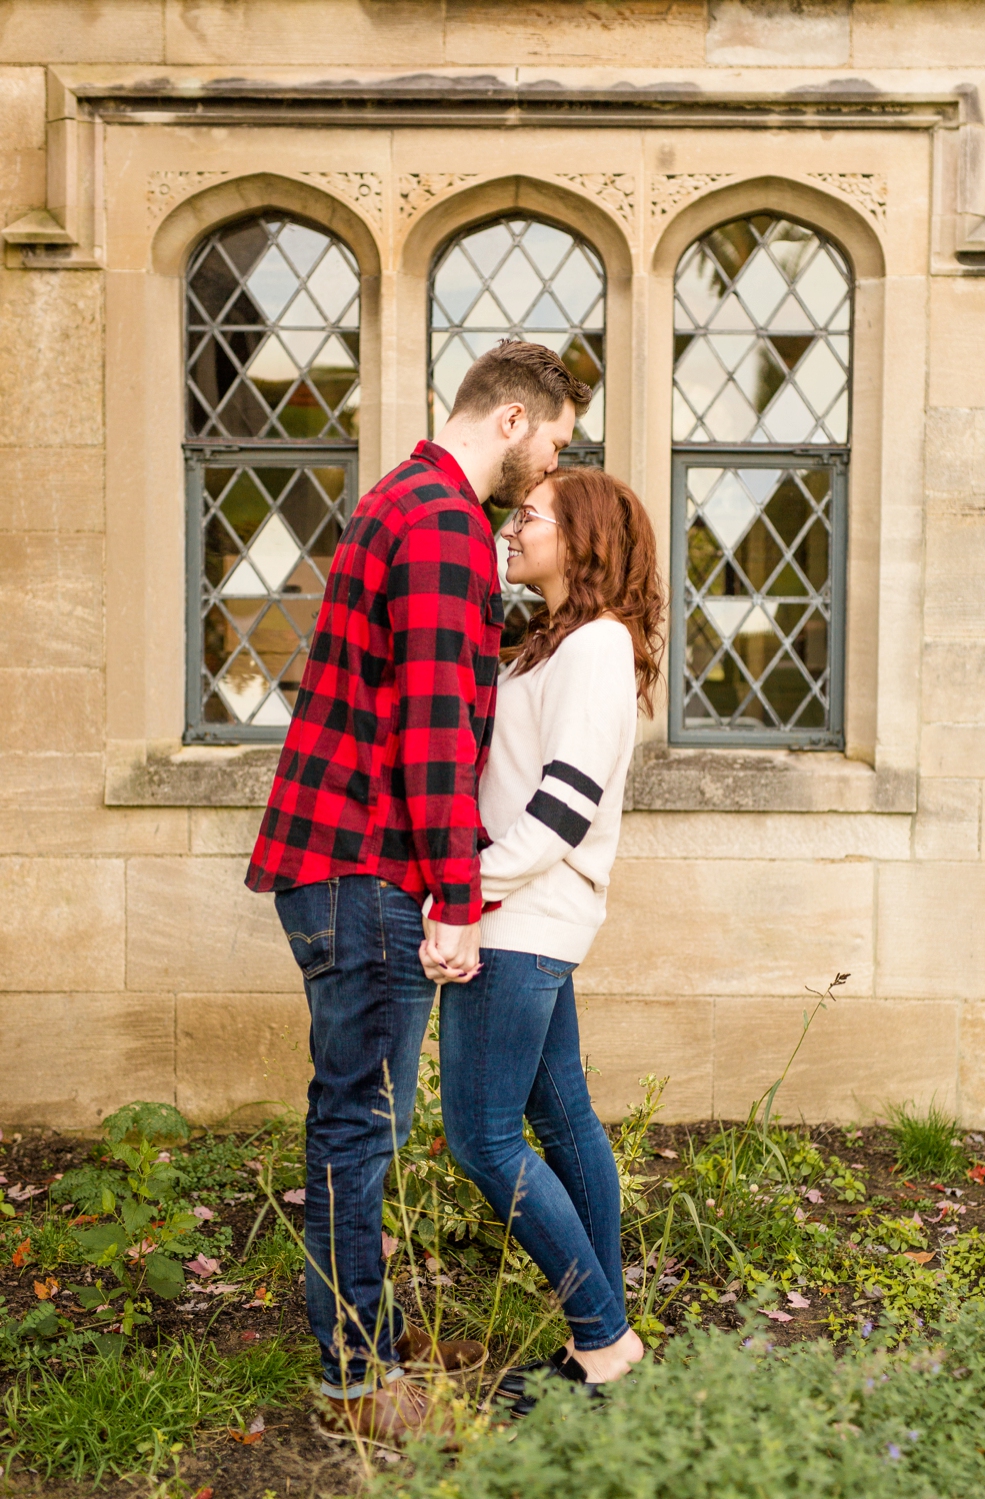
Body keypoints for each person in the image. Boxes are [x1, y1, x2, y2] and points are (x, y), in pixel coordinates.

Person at [246, 341, 591, 1445]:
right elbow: (433, 734)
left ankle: (362, 1346)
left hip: (336, 860)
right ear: (512, 420)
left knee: (351, 1117)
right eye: (556, 442)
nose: (551, 467)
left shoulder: (397, 498)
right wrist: (453, 895)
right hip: (368, 868)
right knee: (359, 1124)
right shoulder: (442, 524)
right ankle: (361, 1374)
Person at [424, 467, 664, 1411]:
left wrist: (462, 893)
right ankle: (605, 1343)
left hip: (523, 915)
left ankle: (604, 1341)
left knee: (482, 1138)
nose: (510, 528)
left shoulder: (598, 646)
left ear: (584, 540)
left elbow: (563, 805)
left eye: (529, 517)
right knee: (561, 1120)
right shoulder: (544, 646)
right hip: (526, 913)